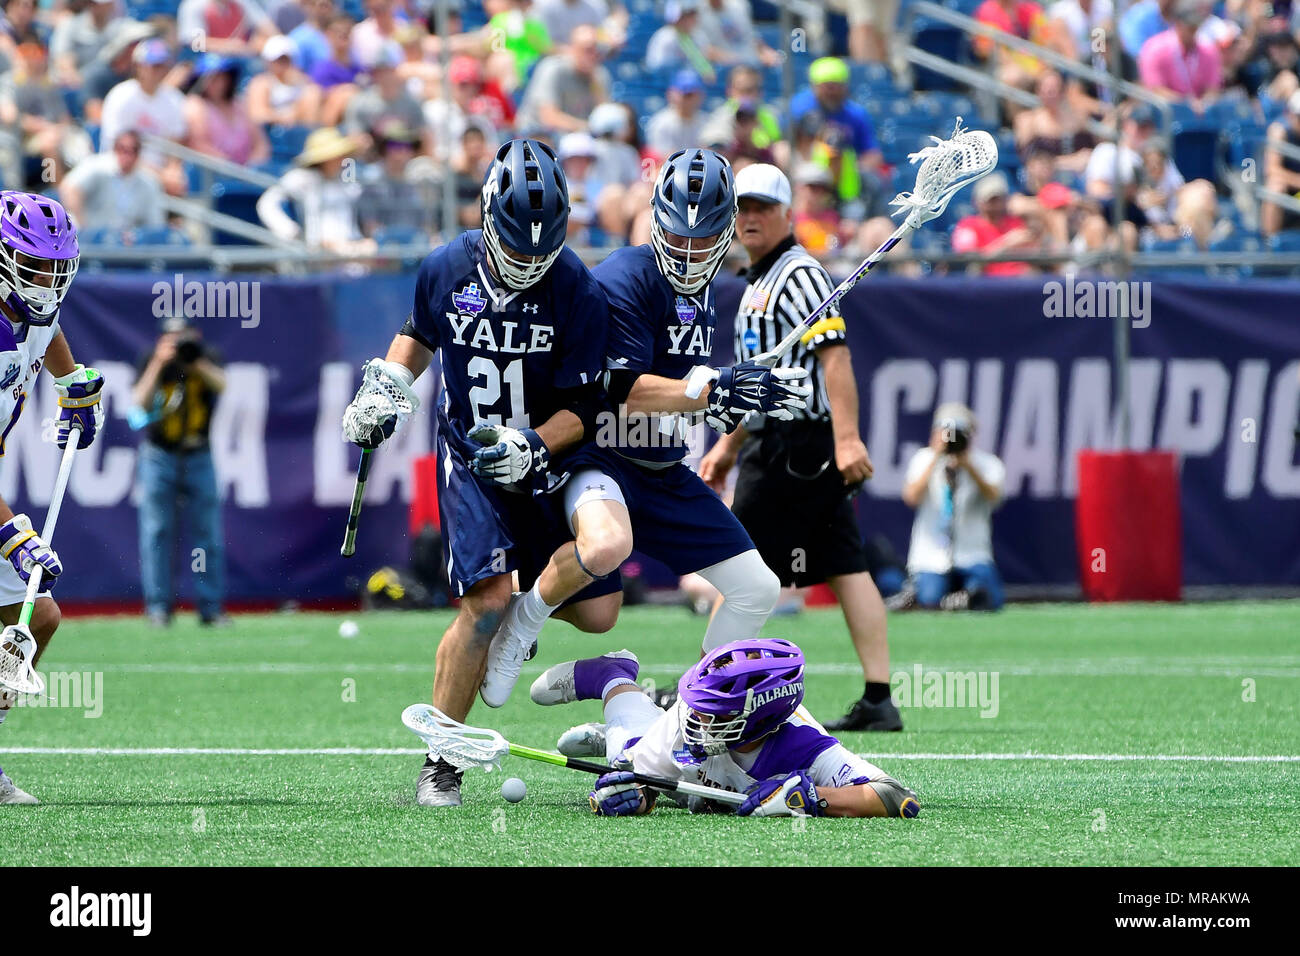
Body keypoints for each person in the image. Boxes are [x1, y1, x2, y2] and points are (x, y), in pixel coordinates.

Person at [473, 148, 810, 720]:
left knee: (758, 586)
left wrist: (725, 405)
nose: (689, 252)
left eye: (704, 241)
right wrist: (711, 390)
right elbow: (622, 389)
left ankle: (690, 720)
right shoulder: (624, 276)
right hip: (601, 456)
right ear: (656, 218)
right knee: (607, 550)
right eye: (679, 236)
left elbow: (677, 392)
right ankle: (518, 626)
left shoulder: (703, 294)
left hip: (661, 468)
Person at [343, 139, 610, 807]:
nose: (526, 263)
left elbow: (584, 408)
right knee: (485, 604)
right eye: (515, 247)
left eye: (538, 250)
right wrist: (386, 387)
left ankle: (530, 616)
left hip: (546, 460)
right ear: (487, 218)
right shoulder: (446, 268)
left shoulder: (574, 285)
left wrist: (533, 445)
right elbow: (418, 335)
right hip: (471, 457)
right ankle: (442, 761)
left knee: (600, 611)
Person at [698, 164, 901, 734]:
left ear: (788, 213)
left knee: (737, 561)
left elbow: (834, 357)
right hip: (777, 439)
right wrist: (729, 445)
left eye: (763, 207)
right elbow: (761, 376)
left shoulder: (799, 275)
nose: (751, 217)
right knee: (844, 564)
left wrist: (847, 438)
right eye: (742, 207)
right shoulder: (759, 280)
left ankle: (705, 686)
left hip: (795, 446)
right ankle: (880, 697)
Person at [530, 639, 921, 818]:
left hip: (702, 765)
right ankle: (612, 676)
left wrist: (811, 797)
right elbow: (641, 781)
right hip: (661, 748)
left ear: (760, 720)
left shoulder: (805, 746)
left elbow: (897, 797)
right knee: (622, 756)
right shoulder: (688, 716)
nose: (696, 718)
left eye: (713, 713)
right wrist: (635, 796)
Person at [0, 191, 104, 805]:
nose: (48, 280)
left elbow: (51, 332)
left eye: (55, 265)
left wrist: (72, 383)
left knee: (36, 618)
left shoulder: (30, 314)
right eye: (35, 265)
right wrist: (13, 534)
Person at [130, 316, 227, 629]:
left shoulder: (204, 357)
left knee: (206, 534)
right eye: (171, 338)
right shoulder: (152, 360)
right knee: (157, 532)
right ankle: (158, 608)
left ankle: (210, 608)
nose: (178, 343)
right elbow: (139, 404)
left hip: (199, 453)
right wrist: (158, 363)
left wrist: (195, 361)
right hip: (160, 455)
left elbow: (222, 385)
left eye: (182, 337)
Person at [896, 403, 1006, 611]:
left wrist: (967, 465)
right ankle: (953, 600)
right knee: (928, 600)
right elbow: (911, 497)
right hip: (931, 557)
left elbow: (994, 498)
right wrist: (937, 456)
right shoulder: (924, 459)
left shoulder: (986, 464)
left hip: (973, 555)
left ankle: (963, 598)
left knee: (989, 600)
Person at [256, 127, 372, 252]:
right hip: (318, 252)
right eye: (337, 155)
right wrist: (291, 232)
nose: (341, 159)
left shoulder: (346, 179)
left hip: (351, 248)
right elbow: (267, 204)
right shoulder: (301, 177)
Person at [59, 129, 165, 235]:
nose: (126, 155)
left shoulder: (148, 182)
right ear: (115, 149)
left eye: (133, 150)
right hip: (93, 241)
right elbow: (69, 188)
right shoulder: (96, 166)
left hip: (128, 246)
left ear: (138, 154)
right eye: (122, 149)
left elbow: (154, 224)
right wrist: (84, 227)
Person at [645, 69, 707, 157]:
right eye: (685, 94)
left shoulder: (706, 121)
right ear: (672, 94)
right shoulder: (660, 122)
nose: (689, 100)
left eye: (692, 94)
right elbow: (662, 158)